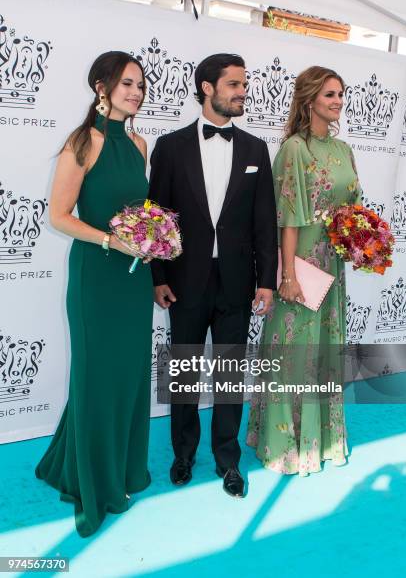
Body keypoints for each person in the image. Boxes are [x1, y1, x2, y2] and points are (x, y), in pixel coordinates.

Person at [149, 53, 278, 498]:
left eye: (245, 85)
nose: (243, 92)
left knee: (228, 372)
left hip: (238, 280)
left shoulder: (256, 149)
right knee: (183, 369)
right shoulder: (169, 146)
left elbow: (265, 220)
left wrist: (267, 280)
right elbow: (157, 218)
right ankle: (183, 454)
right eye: (234, 85)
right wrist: (158, 276)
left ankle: (229, 460)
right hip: (185, 279)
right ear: (207, 88)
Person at [35, 51, 153, 537]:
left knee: (127, 377)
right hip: (96, 277)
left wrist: (151, 239)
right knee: (95, 377)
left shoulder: (141, 143)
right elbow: (59, 215)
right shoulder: (84, 141)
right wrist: (110, 240)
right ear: (101, 87)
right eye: (127, 83)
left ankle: (122, 469)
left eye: (141, 85)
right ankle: (93, 482)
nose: (136, 92)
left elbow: (139, 212)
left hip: (133, 278)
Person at [247, 65, 362, 477]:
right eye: (330, 94)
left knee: (323, 354)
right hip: (302, 264)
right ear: (310, 99)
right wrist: (289, 276)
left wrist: (362, 242)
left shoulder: (344, 149)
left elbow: (352, 212)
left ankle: (321, 439)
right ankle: (284, 442)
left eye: (340, 94)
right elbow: (287, 220)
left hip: (332, 263)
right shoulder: (295, 149)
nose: (337, 102)